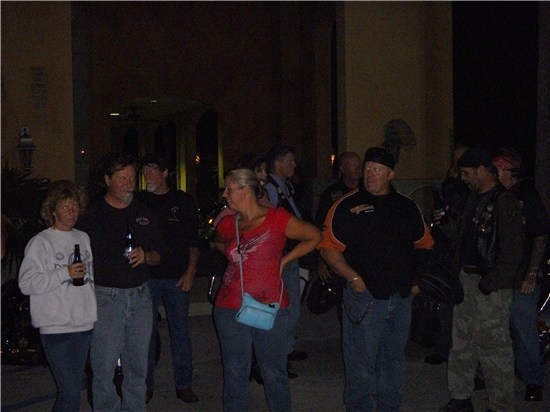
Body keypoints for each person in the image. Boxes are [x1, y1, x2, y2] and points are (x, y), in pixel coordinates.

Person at [319, 147, 434, 411]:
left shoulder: (406, 206)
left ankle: (389, 406)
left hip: (401, 296)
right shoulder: (346, 205)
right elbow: (327, 248)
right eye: (367, 168)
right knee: (361, 361)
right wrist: (353, 278)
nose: (370, 174)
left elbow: (425, 245)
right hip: (365, 297)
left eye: (377, 170)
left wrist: (417, 283)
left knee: (393, 358)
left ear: (390, 174)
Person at [213, 168, 322, 411]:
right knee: (235, 371)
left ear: (246, 191)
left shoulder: (277, 219)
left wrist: (284, 261)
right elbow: (219, 242)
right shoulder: (229, 222)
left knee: (273, 371)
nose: (225, 194)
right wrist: (235, 257)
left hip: (269, 305)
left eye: (229, 189)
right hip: (229, 306)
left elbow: (314, 236)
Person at [78, 152, 167, 412]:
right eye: (122, 178)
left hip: (140, 297)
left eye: (131, 178)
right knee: (103, 369)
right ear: (107, 180)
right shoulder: (92, 215)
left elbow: (161, 253)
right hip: (107, 298)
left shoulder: (142, 212)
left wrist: (146, 255)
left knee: (137, 367)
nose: (129, 183)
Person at [439, 148, 524, 412]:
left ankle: (500, 405)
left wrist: (490, 284)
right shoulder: (472, 199)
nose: (463, 178)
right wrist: (444, 223)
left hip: (490, 286)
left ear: (483, 170)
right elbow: (462, 238)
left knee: (494, 348)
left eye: (466, 173)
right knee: (462, 342)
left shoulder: (504, 202)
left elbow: (513, 251)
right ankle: (461, 397)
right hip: (466, 279)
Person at [18, 180, 97, 412]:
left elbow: (89, 280)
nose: (71, 211)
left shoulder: (83, 238)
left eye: (75, 206)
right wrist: (64, 273)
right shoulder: (41, 242)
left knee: (74, 389)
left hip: (84, 324)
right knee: (70, 391)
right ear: (52, 210)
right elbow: (26, 283)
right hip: (56, 328)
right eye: (65, 207)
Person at [136, 154, 201, 405]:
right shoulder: (139, 201)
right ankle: (146, 385)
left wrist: (191, 270)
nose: (148, 175)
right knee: (146, 332)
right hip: (147, 276)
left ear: (165, 173)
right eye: (145, 171)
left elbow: (194, 240)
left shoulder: (182, 201)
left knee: (180, 331)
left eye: (152, 170)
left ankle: (184, 384)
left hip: (177, 276)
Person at [492, 147, 549, 402]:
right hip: (503, 275)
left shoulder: (527, 195)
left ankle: (533, 380)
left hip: (524, 274)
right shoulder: (500, 195)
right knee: (498, 326)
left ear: (506, 170)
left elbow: (540, 234)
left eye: (496, 169)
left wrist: (531, 273)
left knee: (524, 326)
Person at [424, 143, 470, 365]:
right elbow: (441, 217)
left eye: (462, 158)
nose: (458, 162)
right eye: (455, 158)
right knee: (444, 301)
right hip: (445, 252)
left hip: (465, 254)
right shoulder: (449, 185)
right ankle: (443, 348)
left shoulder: (471, 187)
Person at [263, 144, 308, 365]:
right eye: (290, 161)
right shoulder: (270, 189)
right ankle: (278, 353)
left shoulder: (286, 186)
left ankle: (286, 348)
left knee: (292, 305)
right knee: (283, 306)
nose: (294, 165)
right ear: (278, 163)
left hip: (291, 251)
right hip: (281, 255)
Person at [314, 151, 362, 323]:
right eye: (353, 165)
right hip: (340, 254)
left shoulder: (368, 190)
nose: (358, 168)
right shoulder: (332, 194)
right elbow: (321, 227)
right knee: (344, 299)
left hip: (364, 253)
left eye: (359, 164)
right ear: (342, 168)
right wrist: (321, 259)